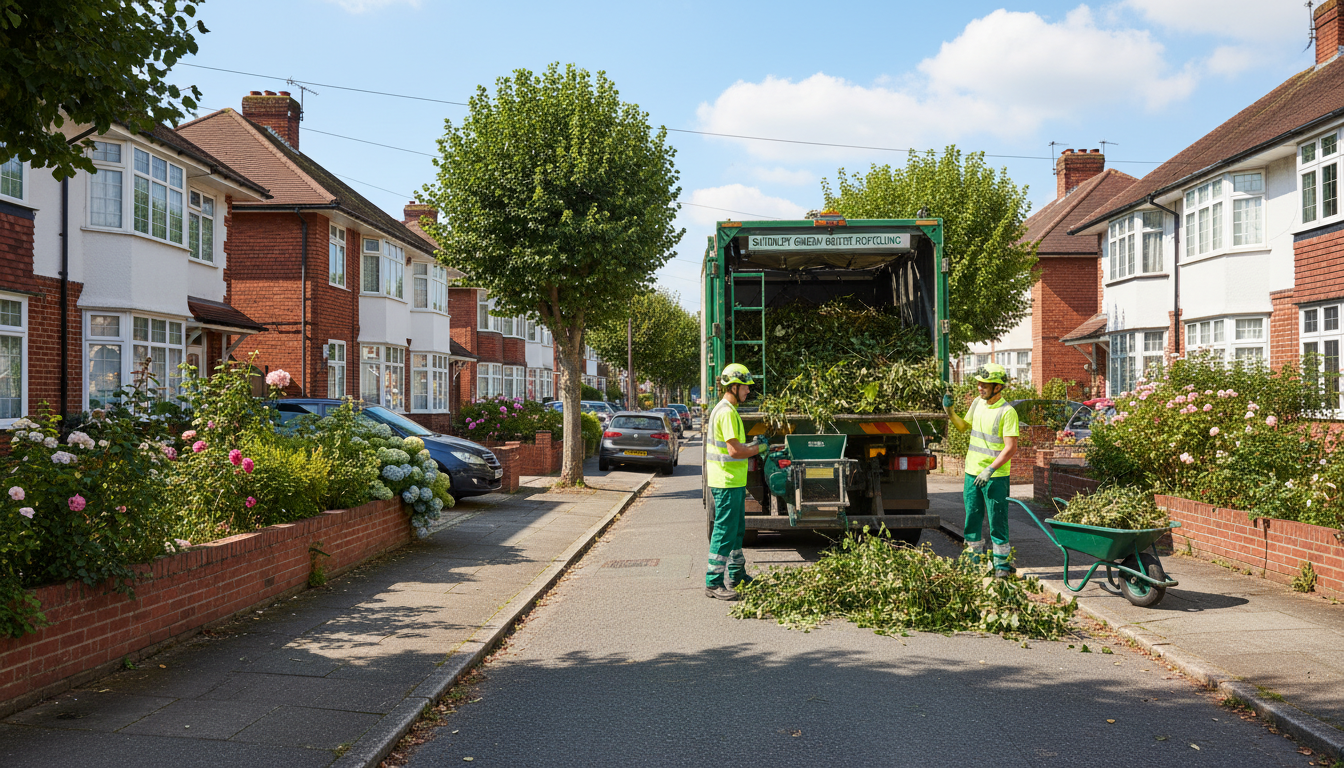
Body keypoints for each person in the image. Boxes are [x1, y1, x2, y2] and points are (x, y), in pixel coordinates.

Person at [943, 363, 1019, 578]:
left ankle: (1002, 565)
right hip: (971, 472)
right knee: (972, 518)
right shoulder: (977, 403)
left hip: (995, 476)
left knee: (997, 520)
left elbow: (1010, 447)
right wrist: (950, 412)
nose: (979, 387)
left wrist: (990, 470)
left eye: (984, 384)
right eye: (978, 383)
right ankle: (972, 562)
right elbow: (962, 426)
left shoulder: (1008, 412)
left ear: (997, 387)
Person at [703, 363, 764, 600]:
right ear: (734, 386)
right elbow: (734, 451)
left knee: (737, 530)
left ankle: (737, 575)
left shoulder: (727, 410)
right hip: (726, 482)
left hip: (732, 482)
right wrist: (759, 448)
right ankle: (713, 582)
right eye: (746, 387)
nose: (748, 391)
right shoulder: (727, 411)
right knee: (724, 531)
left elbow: (736, 447)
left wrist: (754, 444)